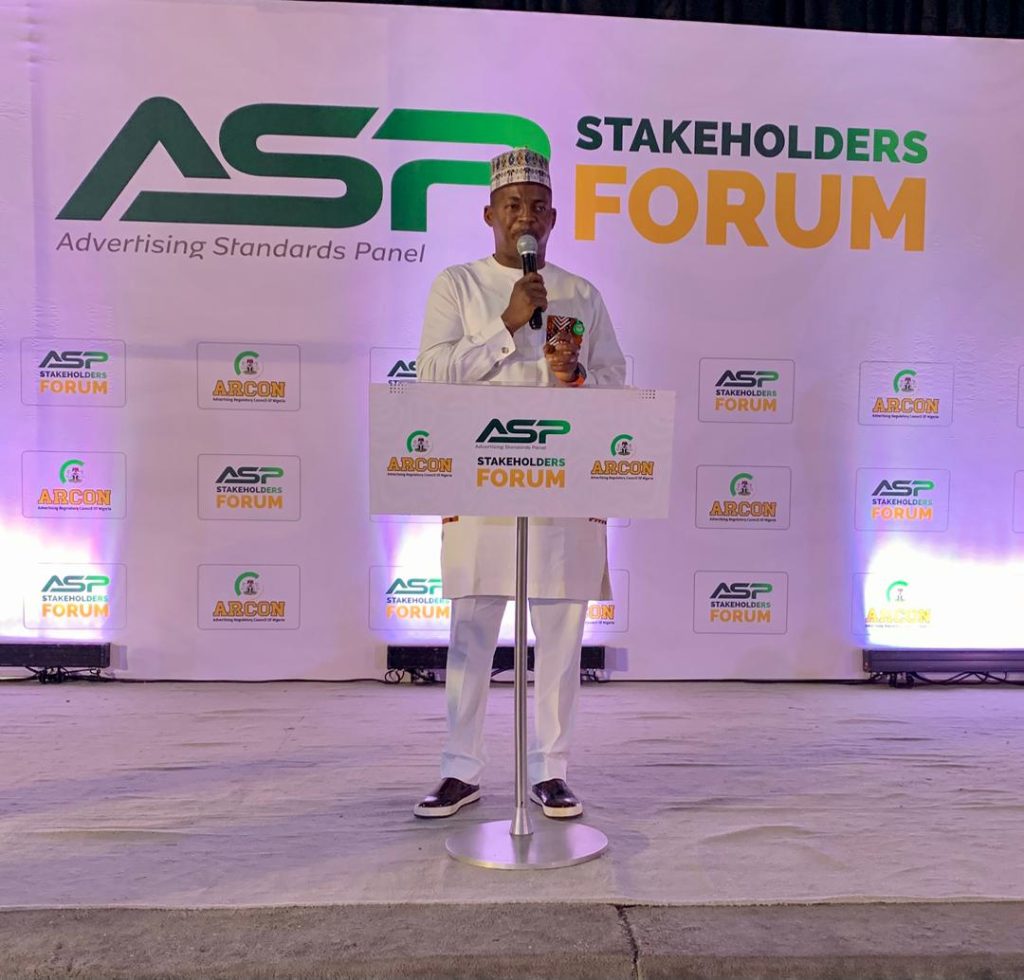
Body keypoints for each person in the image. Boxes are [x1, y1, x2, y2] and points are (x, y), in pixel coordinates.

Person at [414, 147, 626, 820]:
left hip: (562, 482)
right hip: (482, 479)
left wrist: (576, 374)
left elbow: (616, 380)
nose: (524, 218)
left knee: (560, 633)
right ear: (489, 215)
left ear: (553, 218)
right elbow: (431, 374)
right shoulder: (458, 286)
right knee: (472, 632)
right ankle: (460, 769)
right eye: (512, 206)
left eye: (537, 207)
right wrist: (507, 324)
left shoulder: (582, 294)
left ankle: (550, 770)